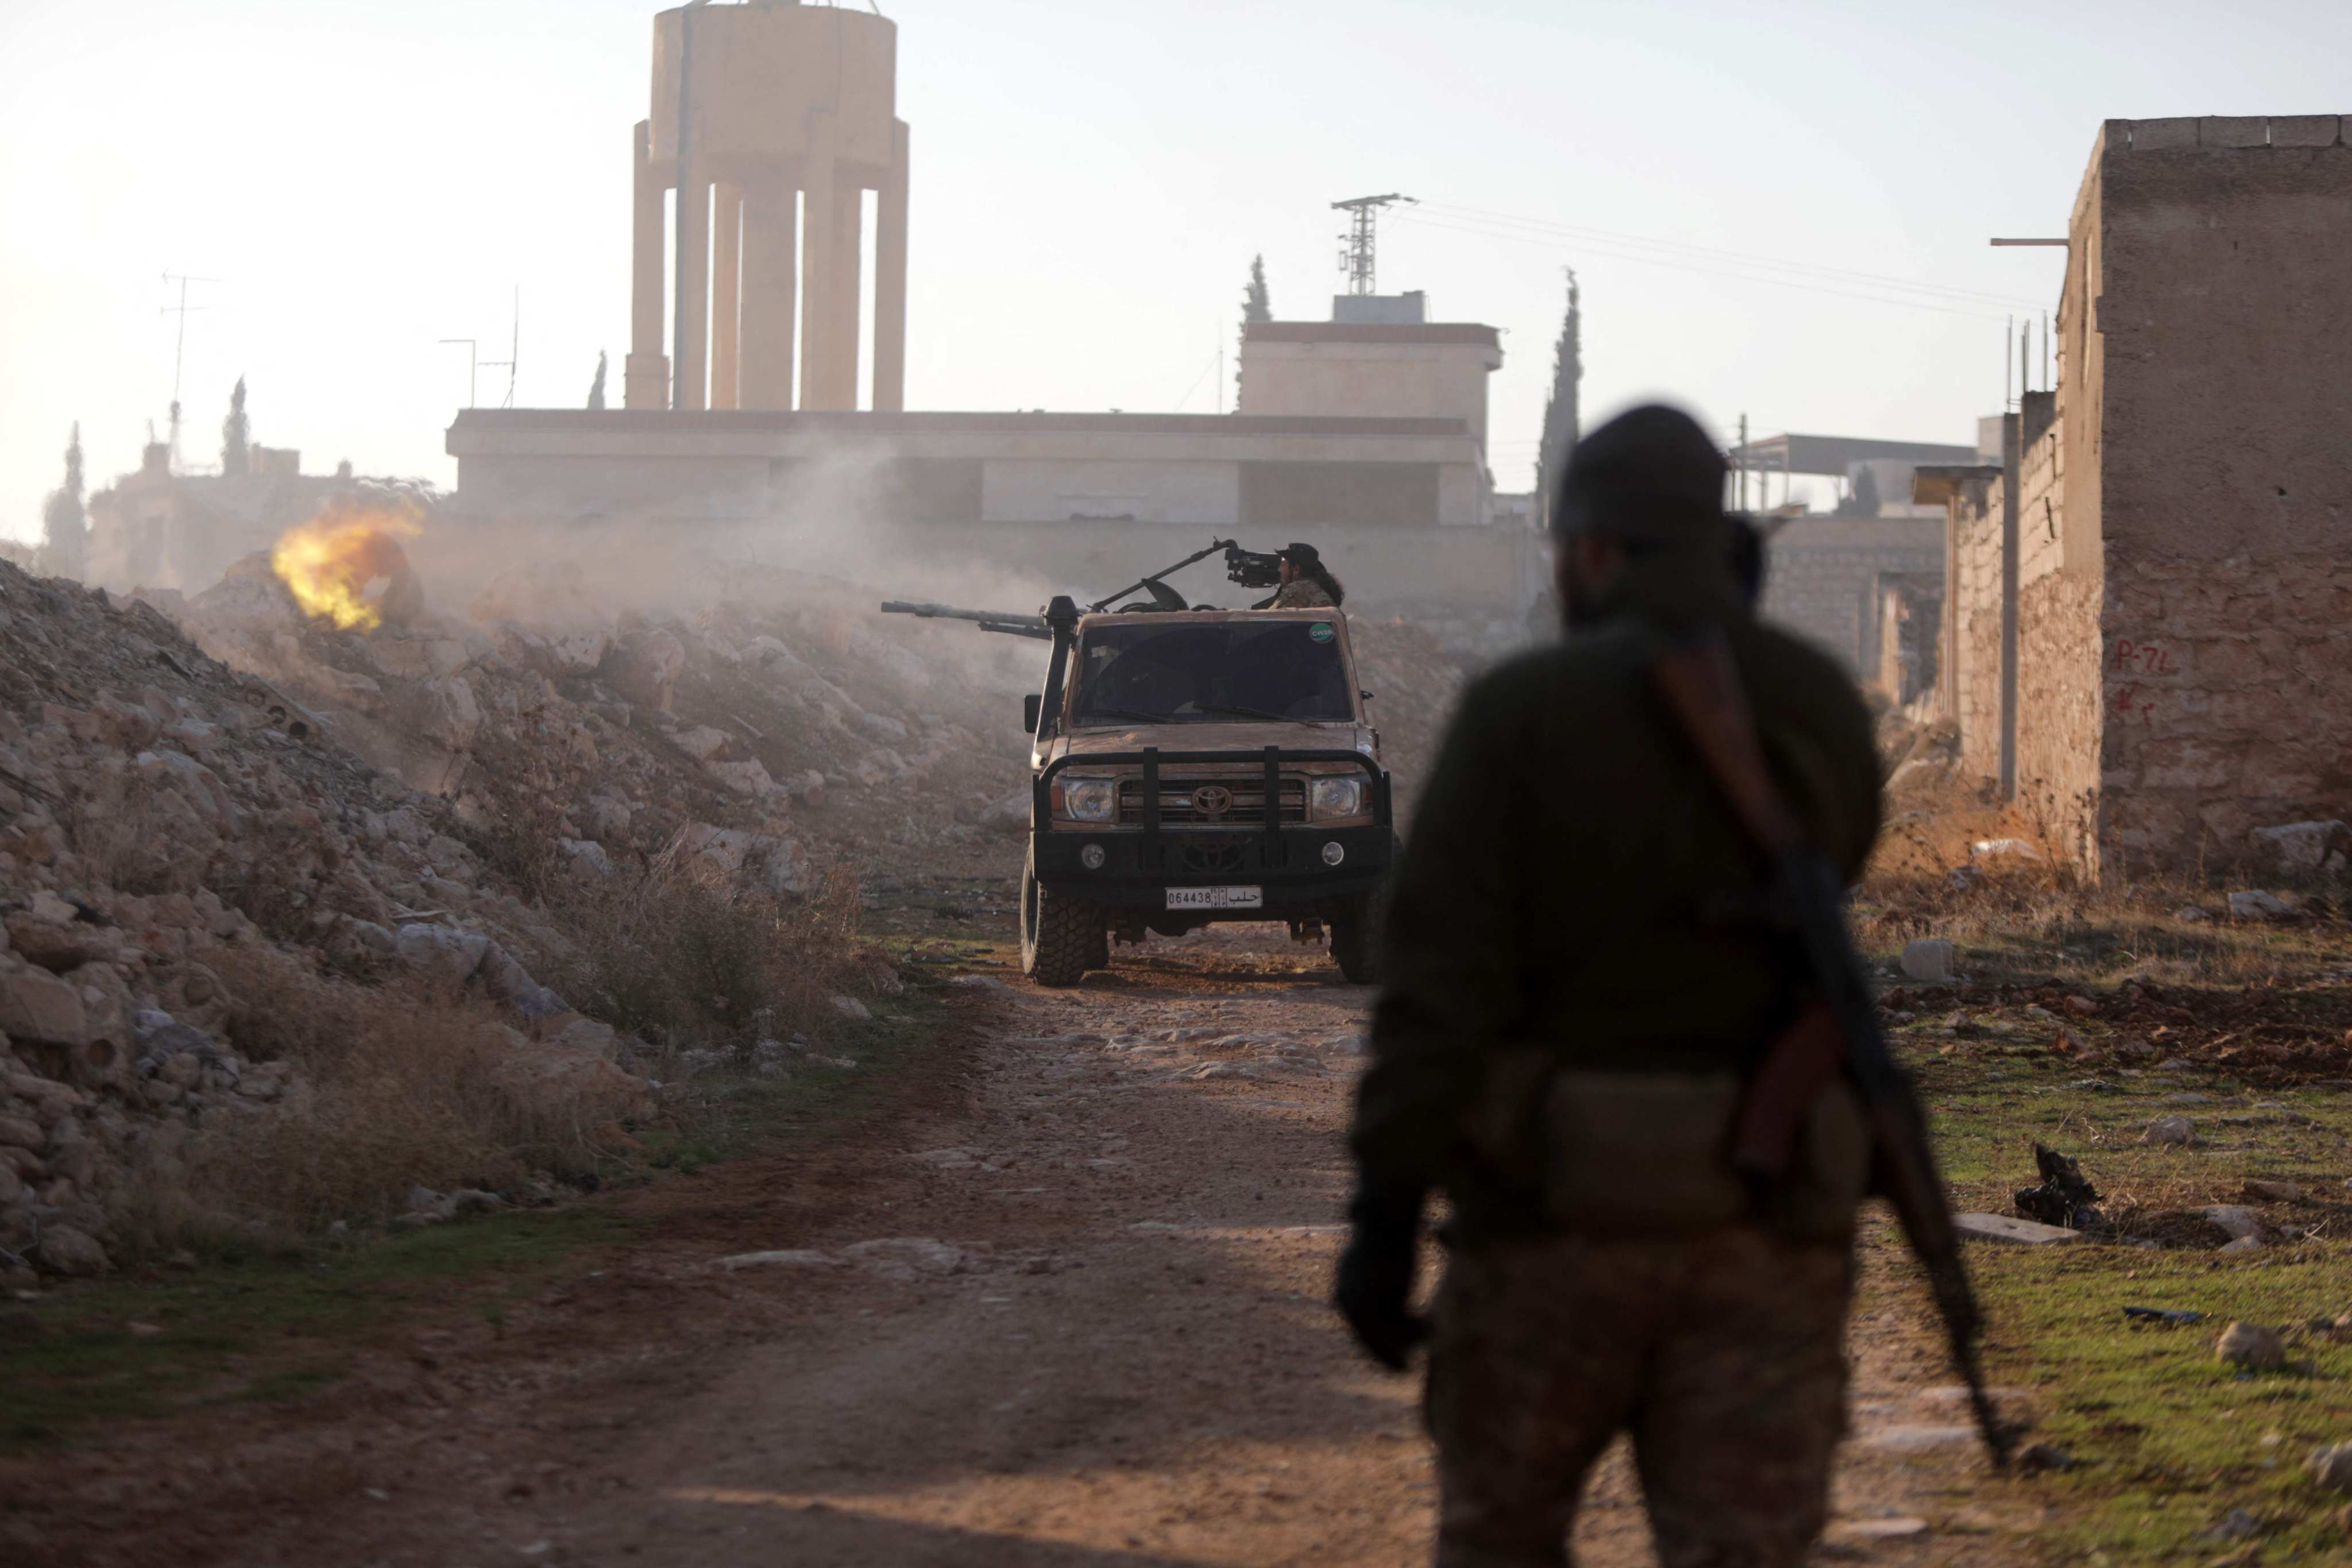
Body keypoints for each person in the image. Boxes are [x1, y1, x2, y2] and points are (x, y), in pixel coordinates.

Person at [1333, 404, 1883, 1567]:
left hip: (1548, 1229)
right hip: (1764, 1220)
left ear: (1588, 549)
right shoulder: (1818, 704)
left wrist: (1385, 1218)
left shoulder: (1518, 711)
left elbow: (1435, 989)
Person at [1269, 542, 1345, 608]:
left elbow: (1268, 618)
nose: (1279, 570)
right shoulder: (1321, 587)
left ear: (1296, 569)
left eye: (1283, 565)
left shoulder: (1297, 589)